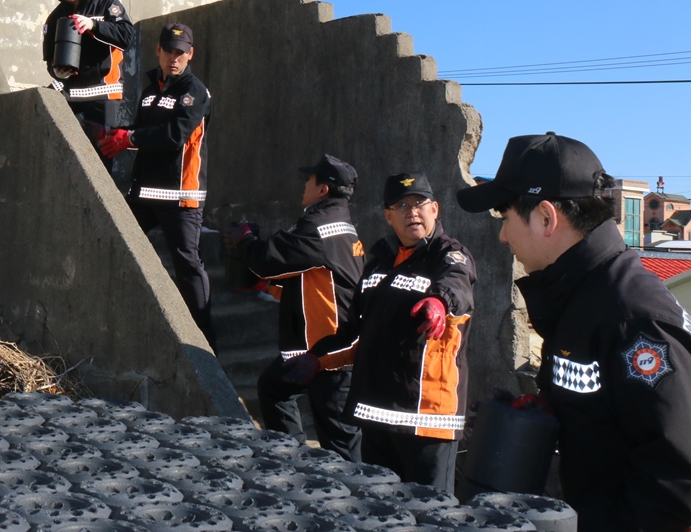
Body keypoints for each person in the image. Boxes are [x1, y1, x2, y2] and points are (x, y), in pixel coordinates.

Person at [458, 132, 691, 531]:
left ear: (546, 217)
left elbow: (678, 476)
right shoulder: (580, 295)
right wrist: (543, 412)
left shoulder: (631, 315)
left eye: (505, 217)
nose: (502, 235)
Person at [291, 172, 475, 493]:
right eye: (401, 206)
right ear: (388, 216)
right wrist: (316, 359)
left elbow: (457, 284)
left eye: (419, 203)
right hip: (375, 415)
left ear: (435, 209)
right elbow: (355, 331)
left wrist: (439, 302)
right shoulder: (377, 263)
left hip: (426, 420)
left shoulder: (449, 255)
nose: (411, 212)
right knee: (381, 510)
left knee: (430, 512)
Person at [227, 154, 365, 459]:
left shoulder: (318, 227)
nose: (304, 184)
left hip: (329, 349)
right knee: (273, 388)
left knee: (340, 442)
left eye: (309, 179)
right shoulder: (337, 224)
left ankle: (353, 486)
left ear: (323, 189)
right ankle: (293, 462)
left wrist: (245, 239)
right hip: (316, 345)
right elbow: (310, 278)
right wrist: (268, 287)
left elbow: (267, 260)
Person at [99, 23, 214, 349]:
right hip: (145, 194)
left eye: (180, 53)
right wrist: (119, 134)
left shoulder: (196, 92)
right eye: (169, 52)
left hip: (181, 198)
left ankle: (206, 346)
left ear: (190, 55)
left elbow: (174, 135)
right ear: (158, 51)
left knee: (188, 267)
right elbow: (141, 130)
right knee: (116, 241)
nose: (174, 58)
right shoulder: (151, 91)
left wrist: (130, 138)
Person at [42, 0, 134, 161]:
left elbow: (127, 35)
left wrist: (94, 25)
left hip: (102, 94)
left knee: (101, 160)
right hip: (70, 93)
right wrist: (57, 72)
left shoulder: (107, 5)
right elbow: (49, 58)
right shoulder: (55, 17)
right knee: (61, 154)